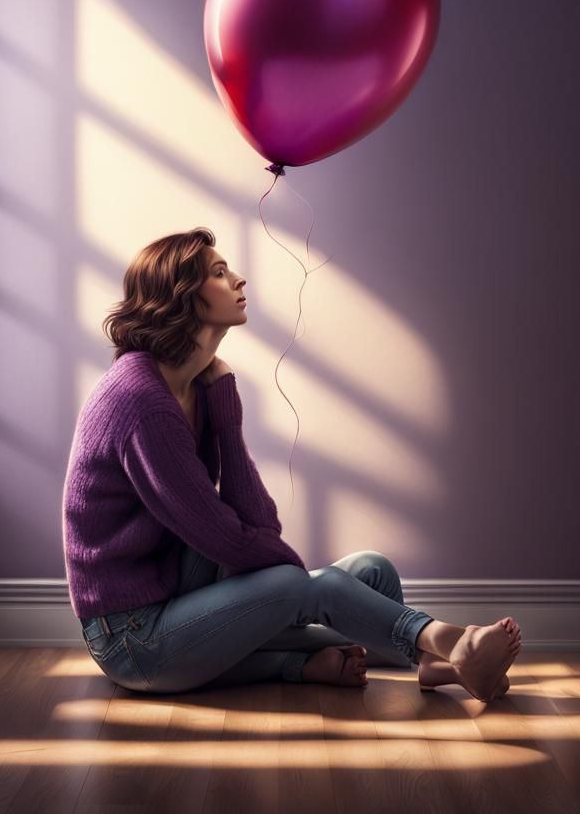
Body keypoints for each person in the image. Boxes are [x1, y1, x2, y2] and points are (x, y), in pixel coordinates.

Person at [62, 227, 523, 697]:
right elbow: (225, 539)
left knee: (373, 571)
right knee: (301, 585)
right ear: (180, 296)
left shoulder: (196, 388)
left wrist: (226, 418)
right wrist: (297, 587)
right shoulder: (143, 403)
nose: (239, 279)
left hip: (182, 592)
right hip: (133, 639)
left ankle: (430, 663)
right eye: (219, 273)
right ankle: (451, 643)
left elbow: (254, 521)